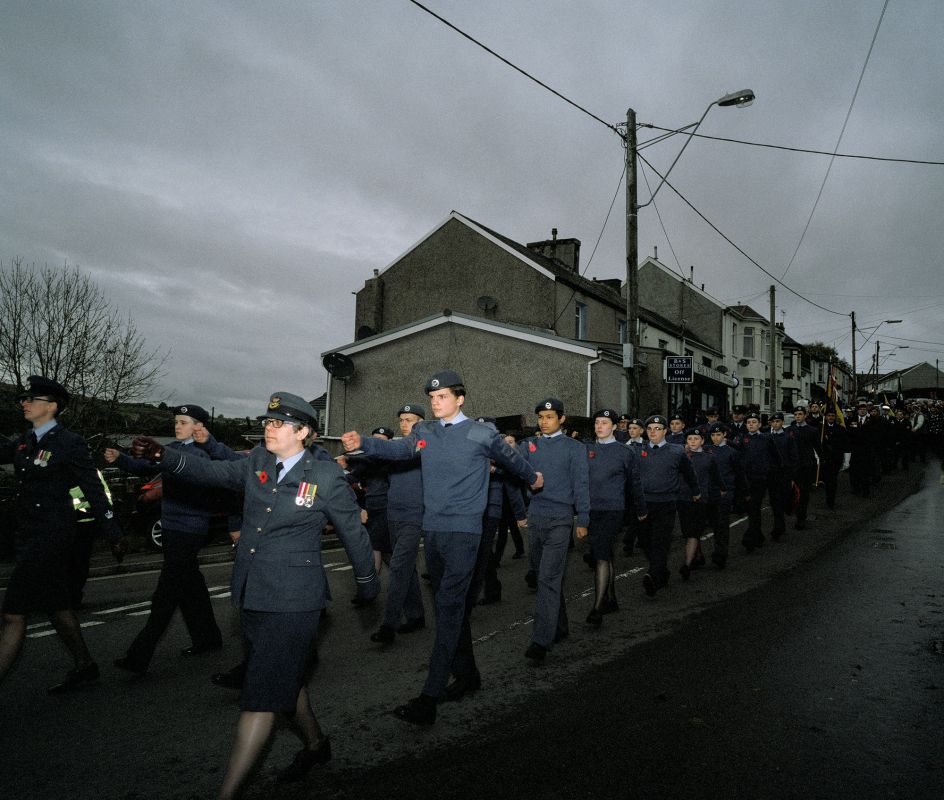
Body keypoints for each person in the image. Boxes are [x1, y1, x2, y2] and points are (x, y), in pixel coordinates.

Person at [133, 391, 378, 798]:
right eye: (267, 421)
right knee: (284, 680)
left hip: (295, 601)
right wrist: (164, 457)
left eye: (278, 423)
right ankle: (317, 745)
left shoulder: (326, 477)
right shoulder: (257, 463)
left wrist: (368, 585)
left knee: (260, 698)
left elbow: (353, 532)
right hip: (251, 594)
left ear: (304, 433)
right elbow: (211, 474)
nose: (269, 427)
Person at [341, 370, 541, 724]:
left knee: (448, 608)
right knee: (451, 608)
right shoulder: (424, 432)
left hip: (465, 533)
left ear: (460, 398)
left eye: (443, 397)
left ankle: (428, 698)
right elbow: (399, 450)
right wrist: (364, 444)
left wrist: (533, 477)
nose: (436, 402)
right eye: (432, 398)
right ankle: (468, 676)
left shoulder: (482, 433)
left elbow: (512, 460)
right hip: (432, 532)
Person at [0, 376, 125, 693]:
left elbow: (94, 490)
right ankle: (85, 664)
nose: (24, 403)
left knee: (14, 614)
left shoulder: (69, 443)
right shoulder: (25, 440)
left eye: (32, 399)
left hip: (51, 539)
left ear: (52, 406)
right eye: (23, 399)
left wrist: (112, 530)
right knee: (57, 607)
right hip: (29, 535)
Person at [107, 404, 224, 674]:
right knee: (190, 584)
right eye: (176, 421)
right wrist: (120, 458)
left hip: (191, 528)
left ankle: (139, 655)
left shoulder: (203, 454)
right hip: (171, 526)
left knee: (166, 593)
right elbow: (145, 467)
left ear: (198, 427)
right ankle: (208, 638)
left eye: (183, 422)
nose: (177, 425)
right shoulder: (172, 448)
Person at [515, 398, 589, 661]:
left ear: (561, 419)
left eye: (549, 417)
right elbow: (515, 469)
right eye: (541, 417)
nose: (544, 422)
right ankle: (559, 626)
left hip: (560, 519)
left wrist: (583, 520)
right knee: (543, 574)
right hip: (536, 519)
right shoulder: (529, 446)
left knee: (547, 577)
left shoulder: (574, 448)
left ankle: (540, 641)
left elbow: (581, 484)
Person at [369, 405, 426, 644]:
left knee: (400, 565)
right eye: (401, 420)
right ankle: (416, 616)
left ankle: (388, 625)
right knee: (405, 568)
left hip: (414, 516)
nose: (404, 424)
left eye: (410, 420)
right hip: (393, 515)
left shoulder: (424, 446)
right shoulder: (394, 450)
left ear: (421, 422)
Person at [583, 409, 646, 626]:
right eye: (597, 422)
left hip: (613, 510)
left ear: (614, 426)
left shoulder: (625, 452)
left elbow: (634, 483)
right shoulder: (586, 449)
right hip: (592, 510)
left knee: (600, 555)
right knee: (605, 552)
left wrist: (641, 508)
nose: (599, 426)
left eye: (604, 422)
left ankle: (597, 607)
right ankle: (611, 598)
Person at [636, 415, 698, 597]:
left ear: (665, 431)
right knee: (645, 541)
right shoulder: (638, 451)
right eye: (650, 429)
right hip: (644, 503)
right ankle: (661, 571)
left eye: (657, 428)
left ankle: (654, 577)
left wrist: (695, 490)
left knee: (660, 541)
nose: (653, 432)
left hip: (666, 503)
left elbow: (689, 472)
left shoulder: (676, 451)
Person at [676, 428, 725, 581]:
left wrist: (722, 488)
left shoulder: (708, 458)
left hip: (700, 499)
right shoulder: (681, 457)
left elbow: (716, 476)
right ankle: (697, 555)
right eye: (690, 439)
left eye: (696, 439)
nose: (692, 442)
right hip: (682, 498)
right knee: (687, 531)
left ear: (702, 441)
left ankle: (687, 564)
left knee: (693, 532)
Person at [733, 411, 782, 552]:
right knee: (751, 509)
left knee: (754, 507)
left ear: (759, 424)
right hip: (745, 480)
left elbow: (777, 458)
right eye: (748, 423)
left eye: (754, 422)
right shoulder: (741, 438)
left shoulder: (767, 438)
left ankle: (750, 538)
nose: (751, 425)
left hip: (760, 479)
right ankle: (758, 536)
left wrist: (773, 473)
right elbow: (734, 455)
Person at [704, 422, 744, 568]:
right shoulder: (706, 450)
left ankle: (720, 555)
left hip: (725, 492)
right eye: (713, 435)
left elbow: (739, 474)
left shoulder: (731, 452)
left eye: (718, 435)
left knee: (721, 525)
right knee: (710, 524)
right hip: (709, 492)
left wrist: (741, 494)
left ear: (724, 435)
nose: (715, 438)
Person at [788, 406, 821, 529]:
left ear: (805, 415)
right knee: (793, 491)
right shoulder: (790, 430)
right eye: (796, 414)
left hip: (806, 465)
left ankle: (801, 517)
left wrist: (822, 460)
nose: (797, 416)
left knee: (804, 492)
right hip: (793, 466)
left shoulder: (812, 430)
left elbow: (818, 447)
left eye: (800, 414)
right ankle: (794, 510)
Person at [819, 409, 850, 509]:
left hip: (836, 459)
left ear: (835, 417)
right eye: (829, 416)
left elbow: (845, 444)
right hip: (824, 459)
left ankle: (831, 501)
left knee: (832, 480)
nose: (831, 417)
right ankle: (828, 498)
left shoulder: (841, 429)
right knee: (826, 480)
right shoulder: (821, 429)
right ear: (826, 417)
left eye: (832, 415)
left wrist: (846, 460)